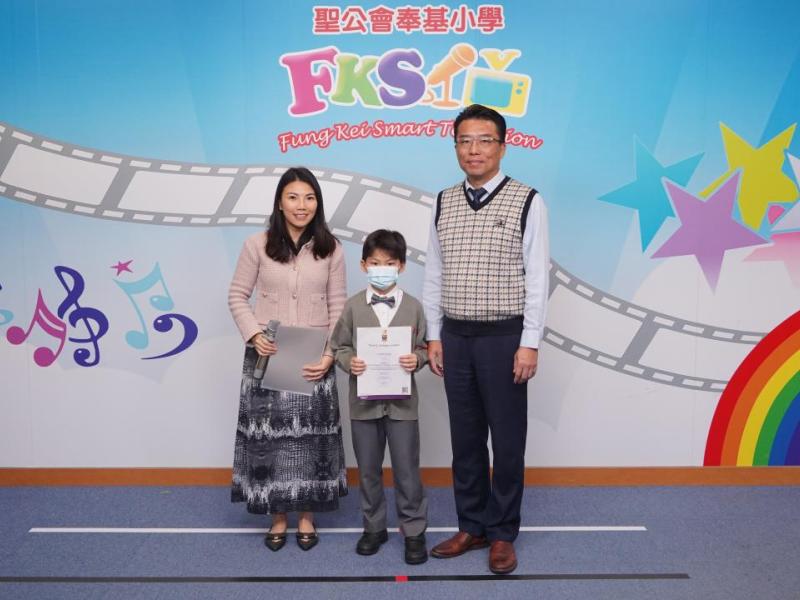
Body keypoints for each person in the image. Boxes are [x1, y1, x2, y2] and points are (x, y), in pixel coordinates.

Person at [422, 104, 549, 574]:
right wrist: (434, 334)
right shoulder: (443, 201)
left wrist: (529, 341)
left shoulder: (527, 200)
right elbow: (434, 272)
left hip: (504, 337)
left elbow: (537, 277)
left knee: (508, 441)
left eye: (484, 140)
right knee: (466, 439)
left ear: (502, 145)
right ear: (455, 145)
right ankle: (471, 525)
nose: (474, 149)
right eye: (465, 141)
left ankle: (502, 533)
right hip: (456, 337)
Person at [228, 166, 348, 552]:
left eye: (309, 198)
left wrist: (330, 354)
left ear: (318, 203)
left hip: (314, 357)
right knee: (271, 439)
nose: (301, 205)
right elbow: (237, 295)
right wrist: (254, 335)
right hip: (269, 355)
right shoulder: (257, 244)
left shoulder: (331, 248)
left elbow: (338, 306)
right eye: (293, 197)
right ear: (280, 203)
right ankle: (278, 517)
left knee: (311, 439)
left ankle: (307, 517)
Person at [330, 229, 429, 565]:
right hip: (363, 405)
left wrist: (418, 359)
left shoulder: (414, 307)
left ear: (401, 266)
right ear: (363, 265)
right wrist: (350, 362)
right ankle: (374, 527)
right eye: (375, 263)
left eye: (389, 263)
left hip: (403, 406)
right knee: (368, 470)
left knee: (407, 470)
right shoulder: (352, 306)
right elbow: (339, 347)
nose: (381, 269)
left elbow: (424, 347)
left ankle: (413, 531)